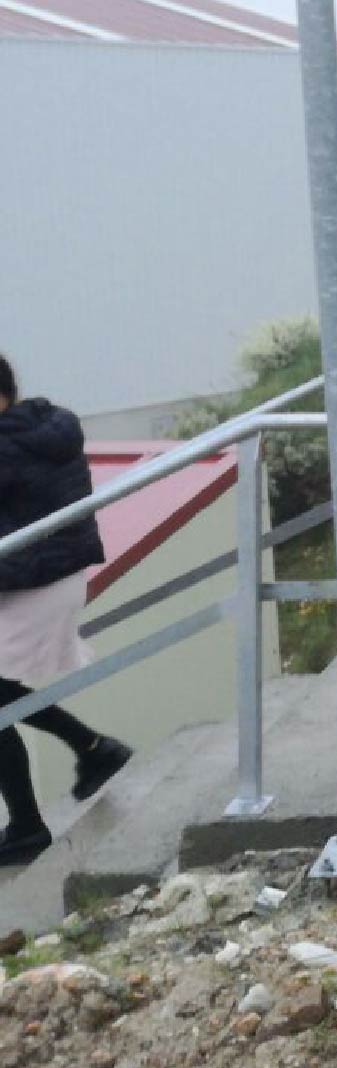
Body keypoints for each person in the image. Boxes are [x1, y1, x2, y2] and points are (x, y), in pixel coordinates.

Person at [0, 353, 134, 866]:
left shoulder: (7, 445)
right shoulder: (41, 428)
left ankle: (87, 757)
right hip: (47, 577)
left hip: (33, 582)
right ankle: (85, 758)